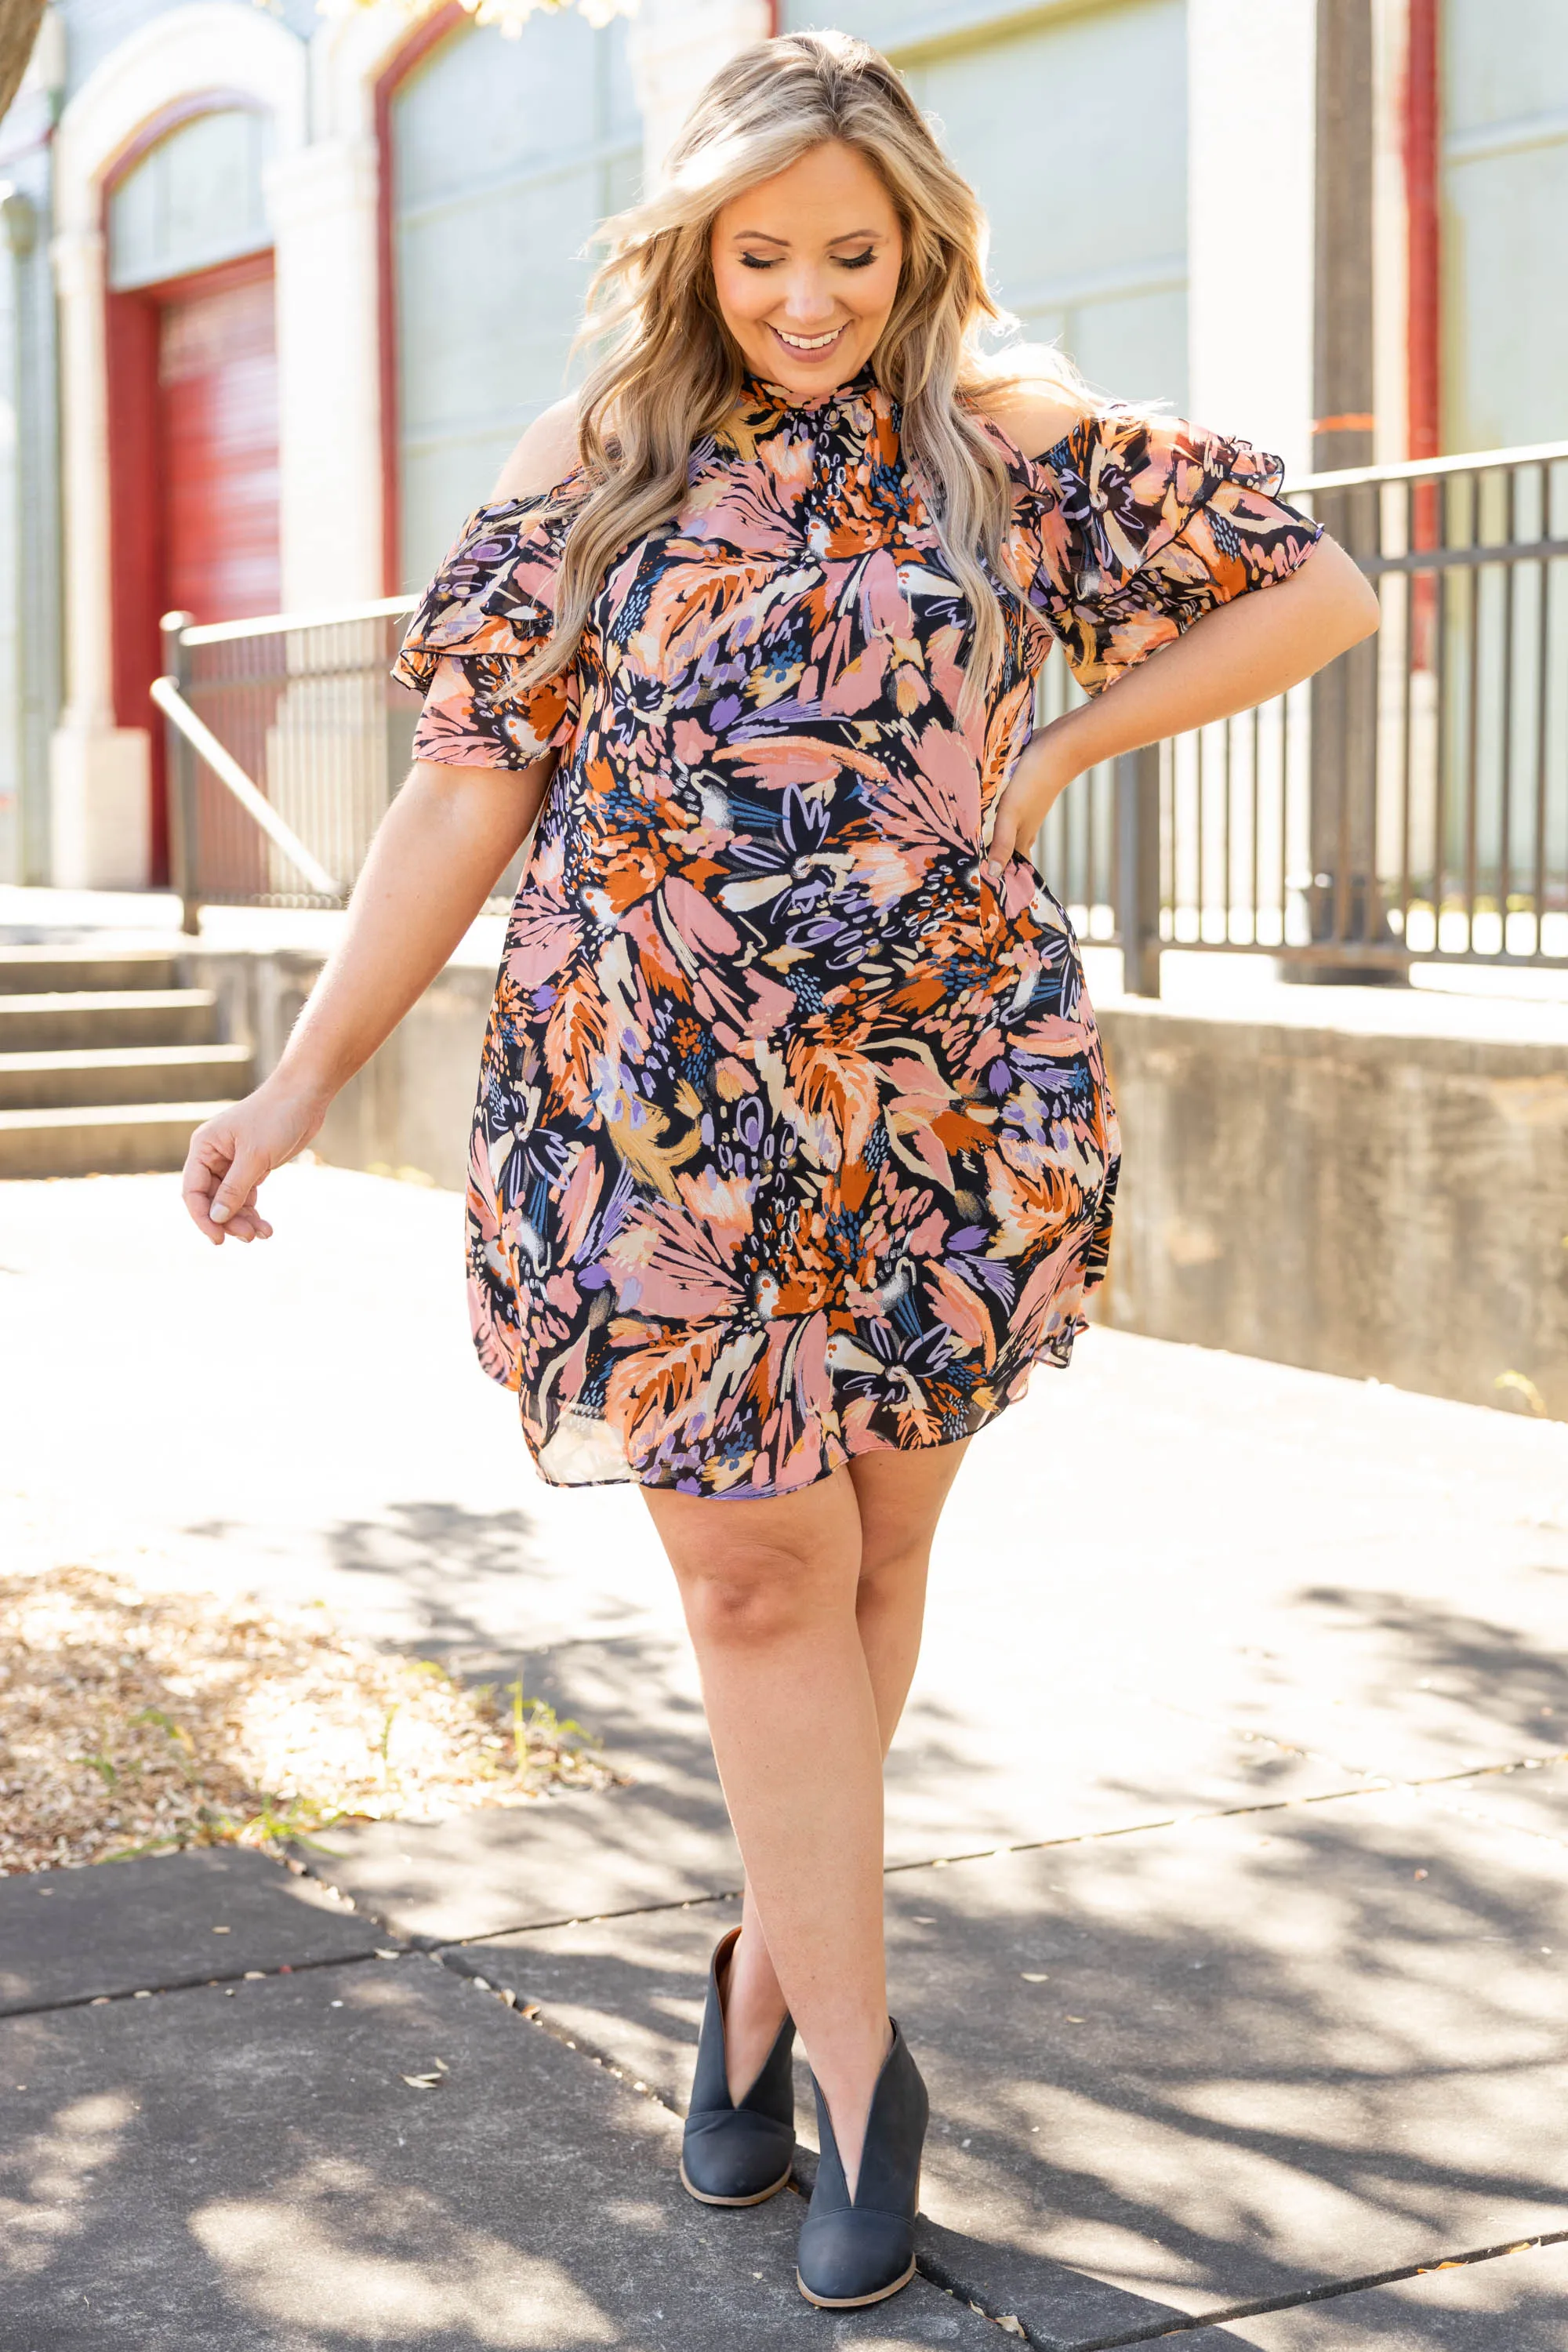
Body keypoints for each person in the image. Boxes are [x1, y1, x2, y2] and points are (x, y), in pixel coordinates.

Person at [181, 29, 1379, 2311]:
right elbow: (463, 792)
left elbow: (1314, 592)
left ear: (919, 245)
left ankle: (750, 1981)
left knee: (869, 1568)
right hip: (644, 1100)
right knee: (753, 1578)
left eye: (856, 251)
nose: (812, 296)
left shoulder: (1008, 455)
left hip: (937, 1095)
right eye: (766, 254)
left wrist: (1055, 751)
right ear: (692, 249)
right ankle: (853, 2066)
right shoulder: (594, 462)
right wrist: (306, 1076)